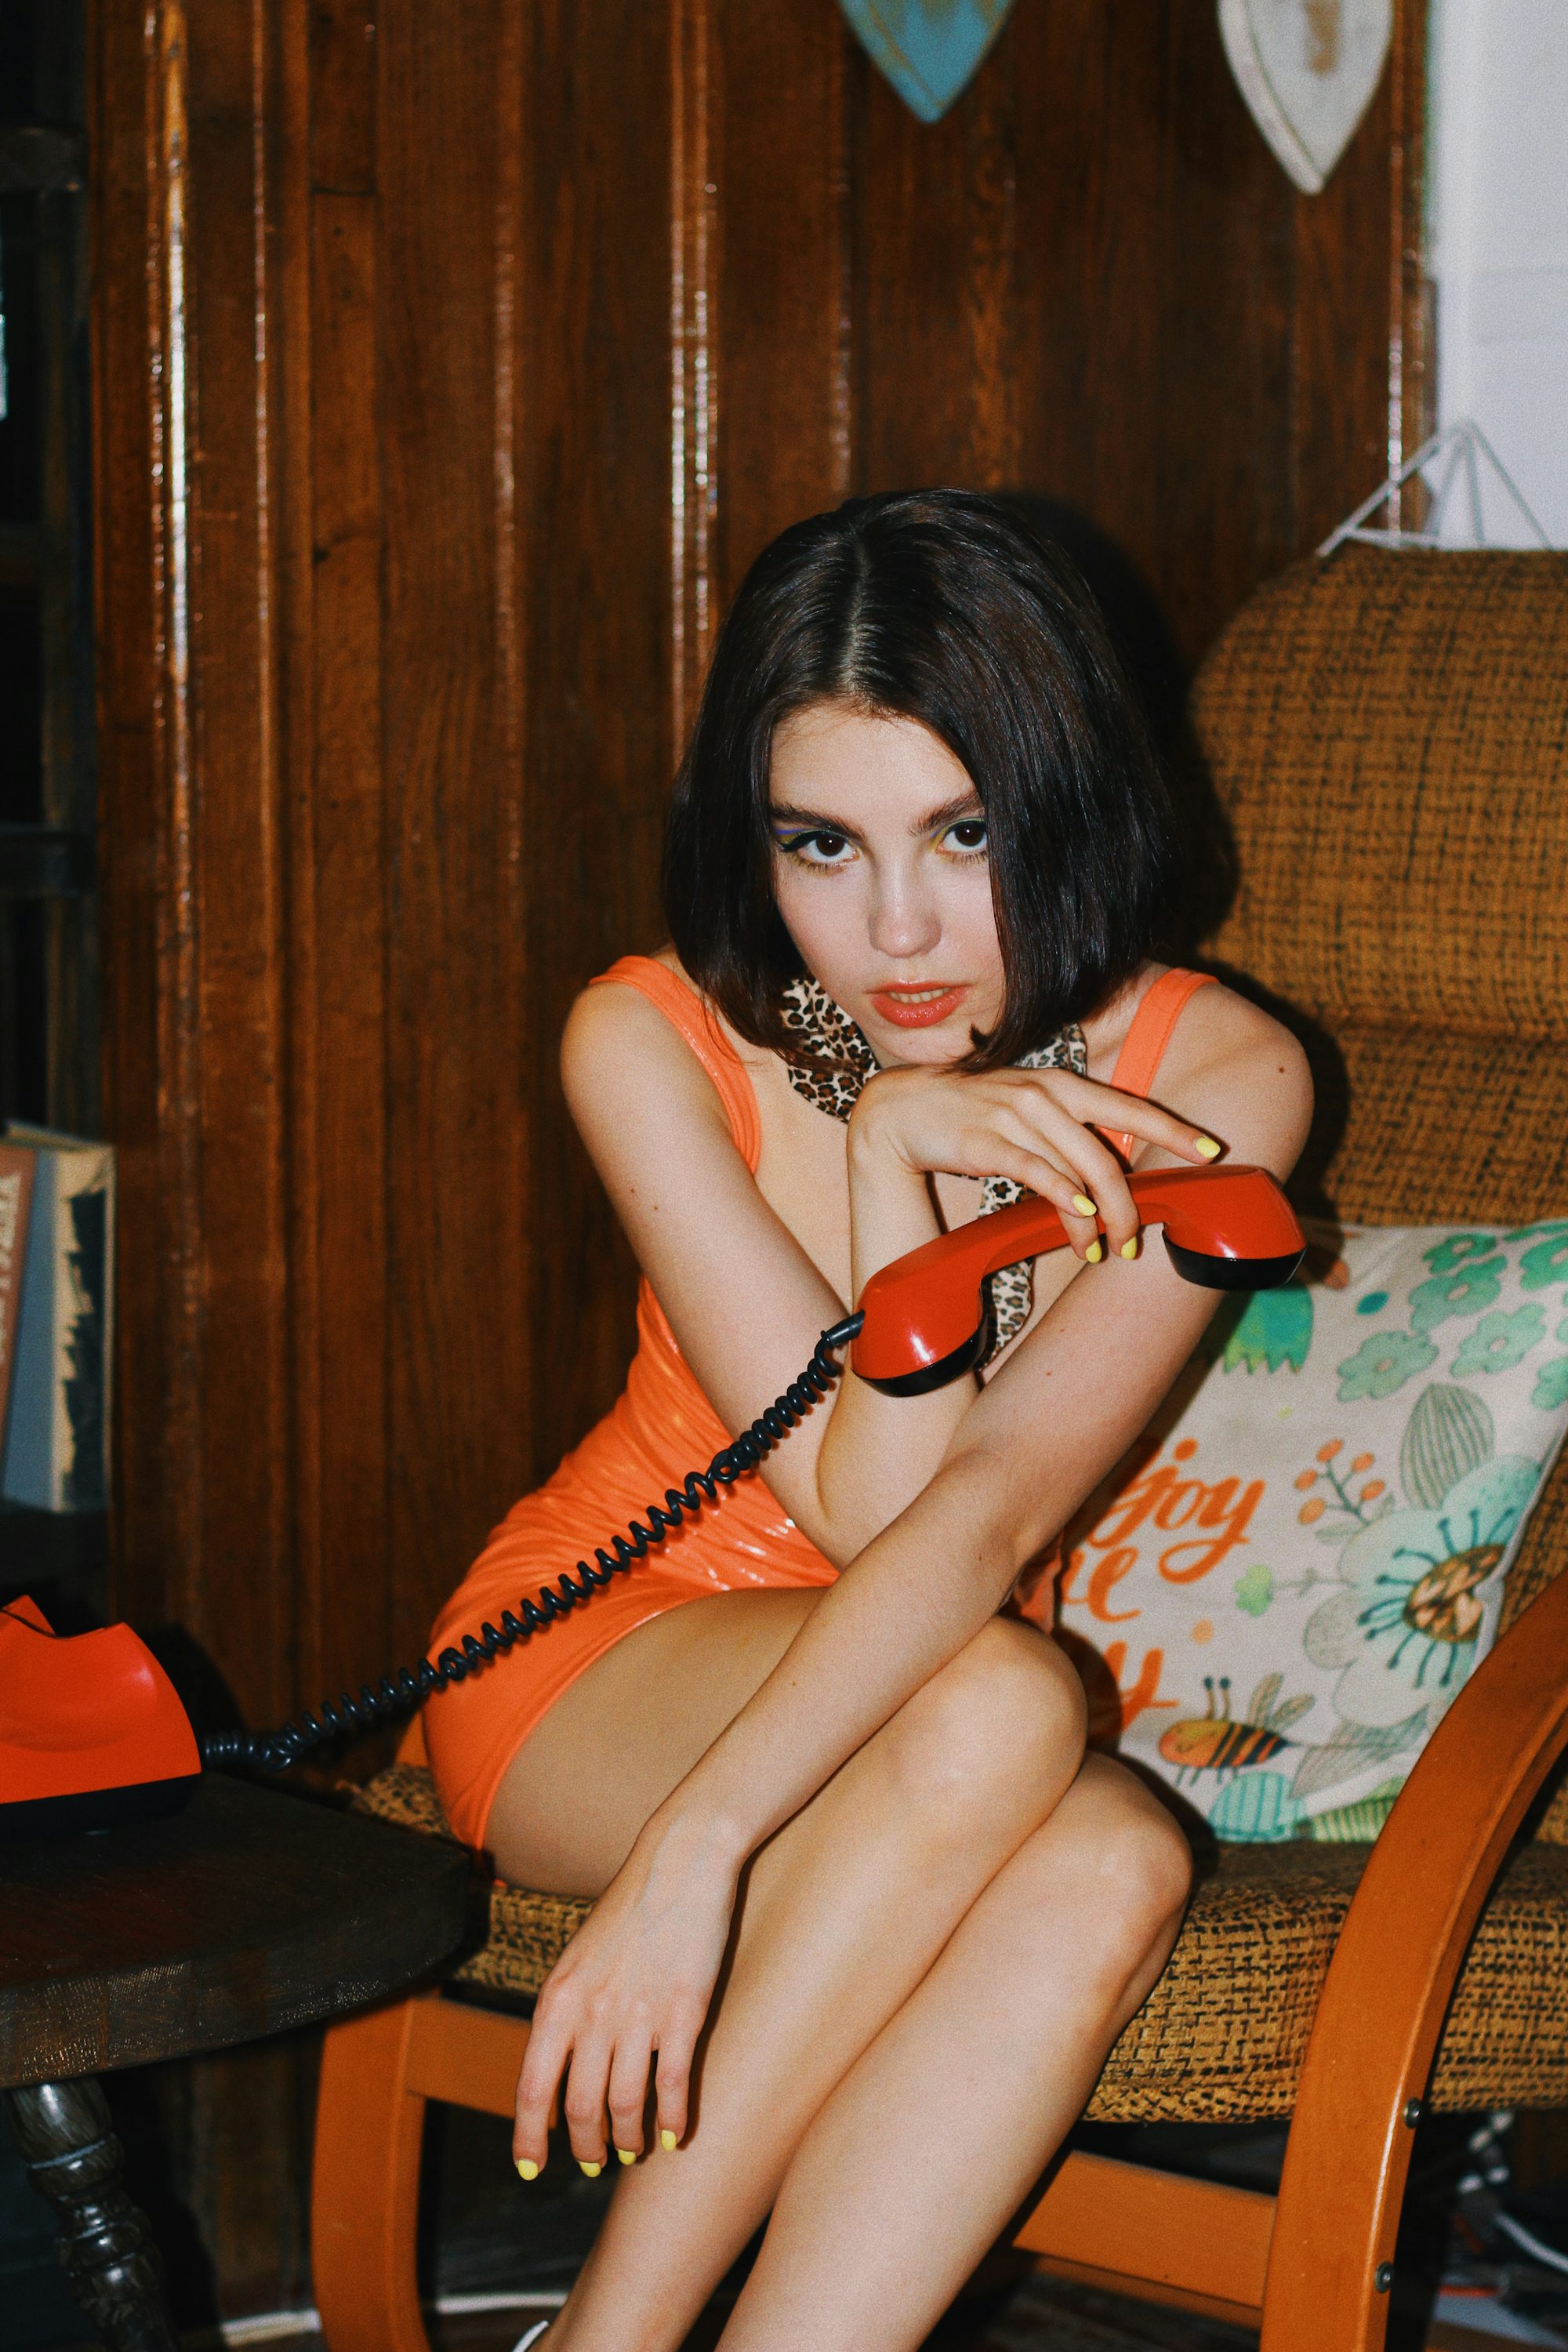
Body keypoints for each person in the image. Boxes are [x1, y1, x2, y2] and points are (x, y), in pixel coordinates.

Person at [423, 489, 1312, 2352]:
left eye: (962, 833)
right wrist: (890, 1156)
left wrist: (711, 1846)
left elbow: (974, 1521)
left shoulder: (1219, 1076)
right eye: (821, 844)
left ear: (1066, 797)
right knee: (1000, 1700)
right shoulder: (651, 1037)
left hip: (923, 1693)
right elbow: (853, 1511)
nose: (894, 927)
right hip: (609, 1664)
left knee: (1111, 1849)